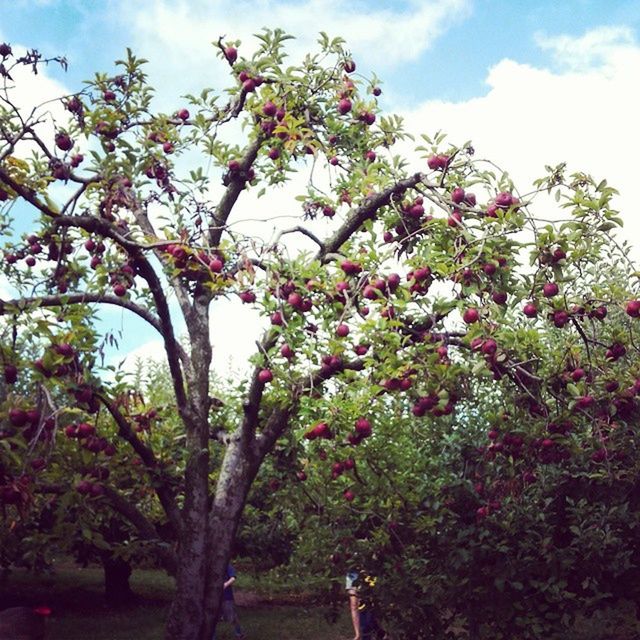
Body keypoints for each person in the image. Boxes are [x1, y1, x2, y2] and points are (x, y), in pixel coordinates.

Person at [346, 570, 381, 640]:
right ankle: (358, 634)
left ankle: (380, 633)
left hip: (368, 570)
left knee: (369, 603)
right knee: (354, 603)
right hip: (353, 572)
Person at [212, 564, 245, 640]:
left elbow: (233, 578)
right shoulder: (211, 566)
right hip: (214, 598)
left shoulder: (226, 565)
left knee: (231, 617)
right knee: (212, 618)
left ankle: (239, 634)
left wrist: (225, 585)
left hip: (226, 597)